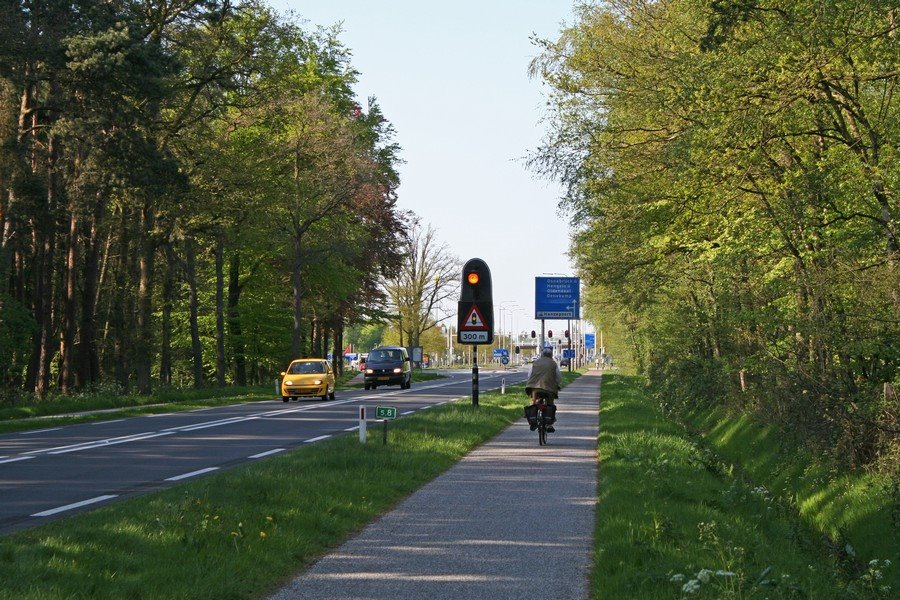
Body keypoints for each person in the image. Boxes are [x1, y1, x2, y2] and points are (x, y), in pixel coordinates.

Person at [524, 347, 563, 432]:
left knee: (533, 401)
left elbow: (529, 375)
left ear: (541, 355)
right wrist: (557, 384)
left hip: (535, 387)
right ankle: (549, 424)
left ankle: (532, 419)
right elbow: (559, 377)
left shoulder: (535, 363)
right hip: (548, 388)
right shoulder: (553, 364)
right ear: (551, 355)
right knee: (550, 402)